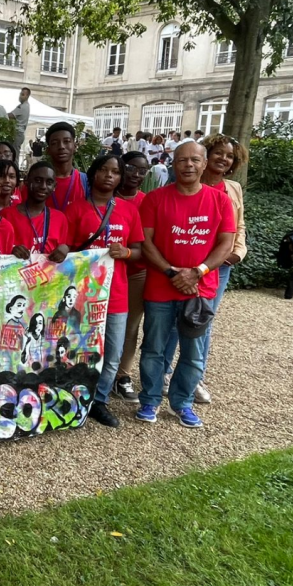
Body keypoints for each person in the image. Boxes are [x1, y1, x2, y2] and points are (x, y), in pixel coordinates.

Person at [135, 142, 236, 428]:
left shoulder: (220, 201)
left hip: (200, 290)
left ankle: (182, 403)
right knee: (153, 348)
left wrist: (197, 272)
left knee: (193, 352)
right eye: (181, 160)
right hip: (160, 288)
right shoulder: (155, 199)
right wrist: (171, 272)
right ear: (173, 164)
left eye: (194, 160)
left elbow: (226, 243)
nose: (188, 165)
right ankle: (150, 400)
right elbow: (146, 242)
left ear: (204, 164)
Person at [160, 134, 249, 404]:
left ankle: (194, 378)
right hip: (182, 265)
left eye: (230, 156)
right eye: (219, 153)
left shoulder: (232, 189)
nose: (224, 159)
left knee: (201, 320)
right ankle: (163, 372)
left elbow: (239, 226)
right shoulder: (181, 184)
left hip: (217, 267)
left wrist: (237, 252)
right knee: (174, 322)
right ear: (206, 156)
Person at [64, 154, 144, 427]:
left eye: (115, 172)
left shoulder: (129, 211)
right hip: (83, 293)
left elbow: (139, 251)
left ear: (120, 178)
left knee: (112, 353)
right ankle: (75, 397)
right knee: (77, 348)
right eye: (104, 170)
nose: (109, 175)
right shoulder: (75, 210)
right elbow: (66, 254)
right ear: (93, 174)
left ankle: (99, 401)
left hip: (116, 293)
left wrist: (126, 252)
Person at [112, 151, 150, 403]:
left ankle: (122, 375)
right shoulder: (104, 197)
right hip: (105, 275)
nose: (136, 174)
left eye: (142, 170)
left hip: (136, 272)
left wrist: (126, 253)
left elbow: (150, 242)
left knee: (131, 326)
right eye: (130, 168)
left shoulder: (147, 201)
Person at [4, 161, 70, 261]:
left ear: (54, 187)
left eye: (49, 182)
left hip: (48, 271)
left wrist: (65, 249)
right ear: (26, 181)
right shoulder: (6, 216)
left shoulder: (60, 219)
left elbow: (62, 250)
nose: (43, 186)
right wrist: (11, 250)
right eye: (38, 180)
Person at [42, 122, 88, 212]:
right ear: (48, 150)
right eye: (55, 143)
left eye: (66, 141)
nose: (61, 147)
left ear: (75, 146)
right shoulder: (38, 184)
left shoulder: (86, 182)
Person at [9, 87, 32, 156]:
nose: (20, 96)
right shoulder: (25, 106)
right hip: (19, 133)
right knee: (13, 153)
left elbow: (11, 115)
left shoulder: (22, 106)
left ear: (27, 96)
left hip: (17, 133)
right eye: (20, 94)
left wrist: (1, 114)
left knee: (14, 154)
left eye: (22, 95)